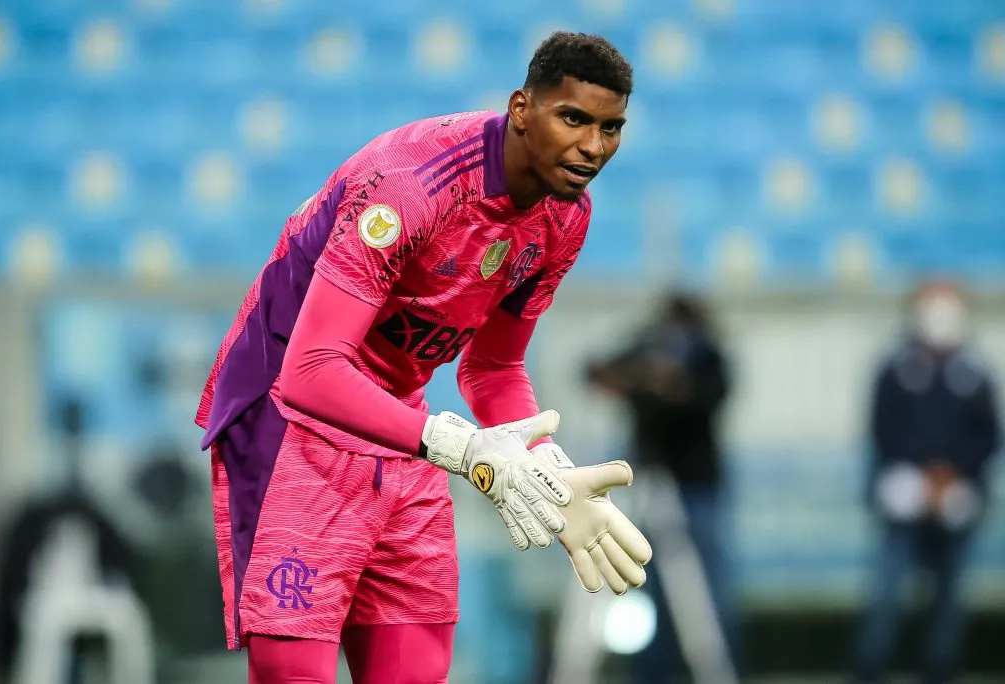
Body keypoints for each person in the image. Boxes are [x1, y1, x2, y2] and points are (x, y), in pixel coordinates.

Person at [195, 32, 653, 684]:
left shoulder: (566, 215)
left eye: (612, 128)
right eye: (574, 118)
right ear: (522, 108)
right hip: (287, 416)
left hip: (400, 425)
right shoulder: (412, 185)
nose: (593, 147)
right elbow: (311, 369)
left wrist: (541, 465)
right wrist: (463, 450)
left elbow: (492, 369)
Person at [850, 280, 1002, 684]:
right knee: (887, 594)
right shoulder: (896, 370)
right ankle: (870, 668)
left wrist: (950, 475)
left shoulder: (974, 374)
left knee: (949, 599)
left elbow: (985, 437)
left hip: (957, 499)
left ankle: (940, 669)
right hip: (903, 497)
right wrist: (921, 475)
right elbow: (885, 431)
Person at [585, 293, 737, 682]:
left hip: (694, 484)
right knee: (645, 581)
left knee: (705, 590)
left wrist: (674, 387)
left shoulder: (708, 355)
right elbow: (595, 372)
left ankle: (720, 668)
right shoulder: (645, 348)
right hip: (644, 478)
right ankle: (651, 673)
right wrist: (637, 379)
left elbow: (712, 397)